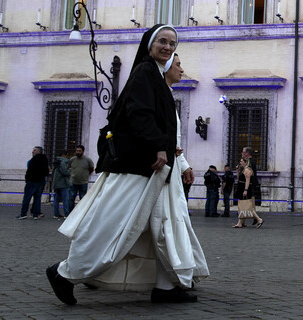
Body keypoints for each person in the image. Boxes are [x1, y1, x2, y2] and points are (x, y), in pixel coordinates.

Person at [46, 24, 208, 305]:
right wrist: (159, 145)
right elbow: (139, 114)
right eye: (162, 41)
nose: (168, 47)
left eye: (172, 43)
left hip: (155, 171)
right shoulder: (145, 72)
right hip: (139, 168)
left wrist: (171, 150)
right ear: (149, 44)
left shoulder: (154, 76)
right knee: (113, 225)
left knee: (160, 227)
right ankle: (64, 273)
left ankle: (165, 286)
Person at [232, 148, 264, 229]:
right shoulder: (244, 168)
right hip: (242, 187)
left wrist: (246, 190)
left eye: (241, 162)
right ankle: (240, 222)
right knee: (242, 205)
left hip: (246, 188)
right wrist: (237, 171)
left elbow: (248, 179)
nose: (240, 163)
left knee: (247, 205)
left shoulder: (247, 169)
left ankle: (258, 219)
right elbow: (240, 178)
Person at [16, 146, 49, 220]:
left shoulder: (33, 160)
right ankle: (35, 214)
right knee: (37, 198)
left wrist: (27, 179)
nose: (33, 151)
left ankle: (23, 213)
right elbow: (46, 171)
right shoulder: (44, 160)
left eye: (34, 150)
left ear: (38, 151)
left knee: (27, 198)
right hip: (40, 181)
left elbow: (29, 171)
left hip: (32, 181)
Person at [67, 145, 94, 213]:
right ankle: (70, 213)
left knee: (83, 198)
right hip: (73, 181)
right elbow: (68, 167)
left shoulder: (87, 160)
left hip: (83, 182)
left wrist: (86, 174)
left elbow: (91, 168)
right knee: (71, 198)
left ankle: (81, 213)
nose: (78, 152)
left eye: (79, 151)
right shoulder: (72, 159)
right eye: (77, 151)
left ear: (83, 151)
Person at [51, 152, 72, 219]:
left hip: (56, 183)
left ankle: (56, 213)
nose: (67, 157)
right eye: (66, 155)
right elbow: (65, 172)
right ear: (63, 155)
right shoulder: (62, 162)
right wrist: (70, 171)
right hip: (63, 183)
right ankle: (66, 214)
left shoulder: (56, 162)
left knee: (56, 199)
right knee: (65, 199)